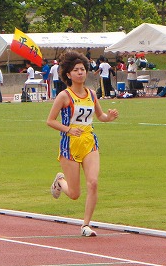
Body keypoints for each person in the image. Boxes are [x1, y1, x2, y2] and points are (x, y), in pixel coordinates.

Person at [47, 50, 119, 237]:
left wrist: (108, 118)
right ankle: (60, 181)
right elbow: (50, 120)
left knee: (93, 183)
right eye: (76, 70)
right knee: (74, 194)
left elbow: (100, 116)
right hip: (70, 144)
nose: (80, 72)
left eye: (82, 69)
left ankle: (86, 225)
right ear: (68, 74)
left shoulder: (92, 94)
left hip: (89, 142)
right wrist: (68, 129)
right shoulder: (64, 96)